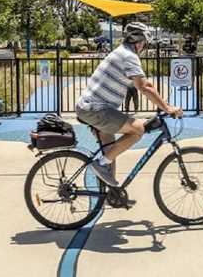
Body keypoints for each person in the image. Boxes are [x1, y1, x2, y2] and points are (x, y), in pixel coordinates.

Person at [75, 22, 183, 186]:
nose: (145, 46)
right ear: (140, 41)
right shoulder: (129, 56)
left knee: (110, 150)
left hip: (91, 107)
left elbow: (144, 85)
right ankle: (100, 164)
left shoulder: (122, 52)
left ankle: (111, 190)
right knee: (138, 129)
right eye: (145, 42)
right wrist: (167, 108)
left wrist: (163, 103)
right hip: (96, 109)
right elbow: (144, 87)